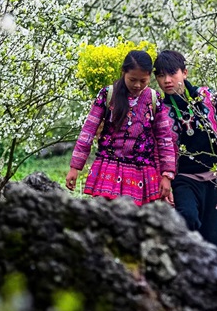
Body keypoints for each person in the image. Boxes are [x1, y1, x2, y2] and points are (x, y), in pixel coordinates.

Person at [154, 49, 217, 252]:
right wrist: (165, 180)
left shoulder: (209, 99)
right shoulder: (159, 110)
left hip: (216, 179)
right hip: (184, 179)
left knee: (213, 245)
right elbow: (158, 151)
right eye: (160, 75)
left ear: (184, 73)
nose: (167, 80)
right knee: (186, 219)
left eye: (172, 73)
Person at [65, 50, 176, 205]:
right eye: (132, 79)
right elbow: (88, 132)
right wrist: (75, 167)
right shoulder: (107, 95)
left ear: (149, 76)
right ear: (123, 72)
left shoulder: (154, 99)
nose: (137, 85)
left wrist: (167, 175)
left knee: (137, 224)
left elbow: (164, 139)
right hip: (108, 170)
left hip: (142, 173)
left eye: (143, 81)